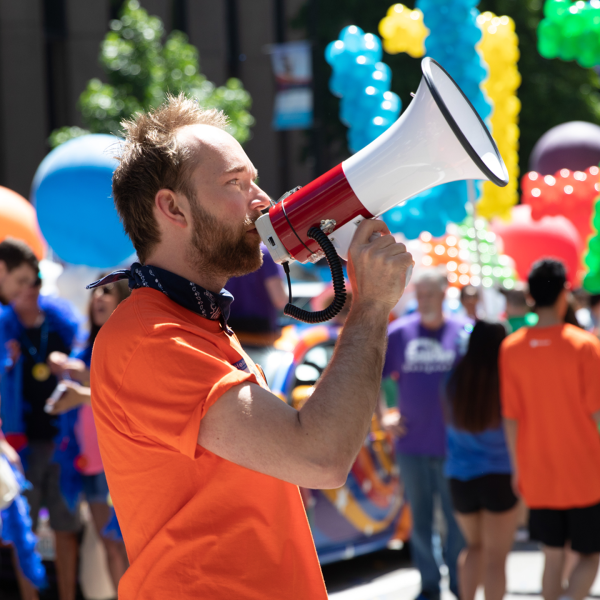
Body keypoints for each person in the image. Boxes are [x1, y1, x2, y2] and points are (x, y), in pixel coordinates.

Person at [89, 94, 414, 599]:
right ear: (172, 208)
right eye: (236, 184)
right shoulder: (152, 340)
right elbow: (320, 457)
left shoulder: (191, 320)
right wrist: (369, 307)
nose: (262, 199)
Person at [501, 259, 600, 600]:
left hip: (537, 470)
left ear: (529, 295)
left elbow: (510, 417)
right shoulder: (585, 346)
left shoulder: (511, 348)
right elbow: (598, 414)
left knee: (552, 555)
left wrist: (517, 468)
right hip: (586, 471)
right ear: (564, 294)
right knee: (589, 554)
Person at [382, 269, 469, 600]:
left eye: (429, 294)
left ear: (444, 295)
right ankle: (429, 586)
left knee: (455, 520)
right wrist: (384, 416)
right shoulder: (400, 332)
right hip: (412, 444)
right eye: (419, 294)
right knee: (420, 520)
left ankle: (461, 584)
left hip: (455, 445)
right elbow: (375, 376)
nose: (423, 301)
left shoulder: (463, 332)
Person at [46, 279, 130, 592]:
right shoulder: (84, 349)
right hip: (91, 465)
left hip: (120, 464)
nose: (97, 297)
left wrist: (79, 389)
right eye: (95, 291)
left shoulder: (128, 345)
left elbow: (127, 401)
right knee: (110, 545)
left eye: (107, 291)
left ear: (123, 300)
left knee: (129, 548)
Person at [0, 278, 80, 600]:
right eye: (21, 282)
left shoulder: (62, 329)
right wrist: (9, 364)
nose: (29, 289)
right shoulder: (6, 334)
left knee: (66, 528)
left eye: (34, 281)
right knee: (23, 531)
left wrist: (69, 367)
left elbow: (83, 367)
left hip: (61, 443)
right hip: (22, 445)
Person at [445, 321, 518, 600]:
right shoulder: (506, 381)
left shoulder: (452, 380)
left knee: (473, 547)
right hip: (499, 475)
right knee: (496, 558)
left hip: (460, 477)